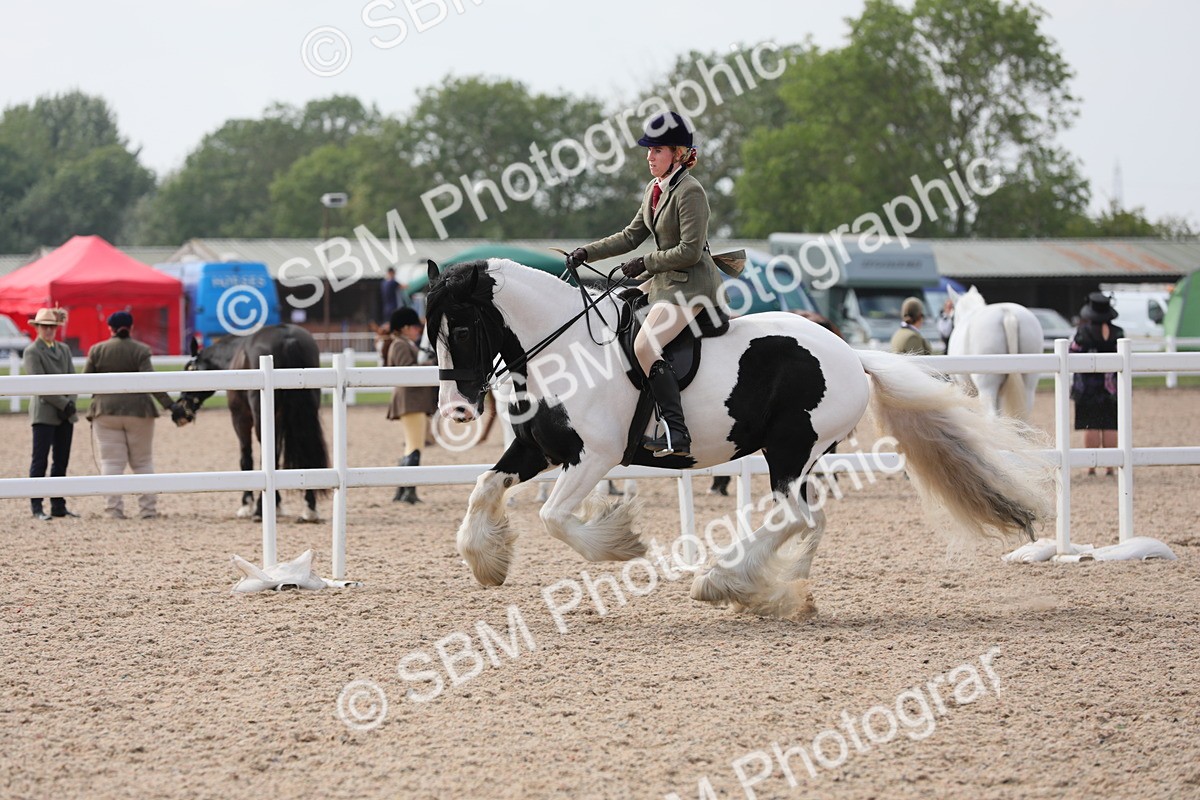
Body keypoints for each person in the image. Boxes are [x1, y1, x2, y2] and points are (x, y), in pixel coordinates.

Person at [566, 111, 728, 458]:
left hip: (692, 285)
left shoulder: (690, 192)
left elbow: (689, 250)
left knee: (644, 346)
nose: (649, 157)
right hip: (665, 281)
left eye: (657, 150)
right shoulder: (654, 189)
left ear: (678, 153)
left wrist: (646, 262)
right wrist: (586, 253)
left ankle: (676, 431)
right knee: (616, 308)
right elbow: (631, 236)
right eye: (649, 150)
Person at [84, 311, 184, 519]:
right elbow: (151, 382)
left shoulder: (97, 350)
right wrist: (170, 405)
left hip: (105, 411)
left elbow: (86, 381)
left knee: (111, 463)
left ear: (110, 328)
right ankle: (147, 510)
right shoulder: (140, 350)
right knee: (143, 462)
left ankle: (113, 510)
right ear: (131, 327)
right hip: (139, 411)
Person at [23, 307, 79, 520]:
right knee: (40, 460)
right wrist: (64, 404)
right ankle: (37, 505)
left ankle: (58, 504)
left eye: (51, 327)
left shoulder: (63, 349)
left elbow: (73, 379)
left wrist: (70, 404)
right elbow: (39, 382)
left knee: (61, 460)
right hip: (45, 413)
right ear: (37, 328)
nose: (48, 331)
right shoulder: (32, 351)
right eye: (45, 327)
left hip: (65, 412)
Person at [386, 307, 437, 503]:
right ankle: (409, 491)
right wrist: (432, 363)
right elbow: (407, 372)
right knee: (415, 448)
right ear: (405, 327)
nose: (417, 330)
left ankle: (402, 490)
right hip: (410, 401)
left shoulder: (404, 343)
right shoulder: (399, 345)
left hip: (414, 402)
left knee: (411, 447)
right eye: (415, 327)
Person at [1071, 292, 1124, 477]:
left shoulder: (1083, 332)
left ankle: (1091, 466)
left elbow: (1073, 353)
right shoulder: (1118, 332)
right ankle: (1110, 466)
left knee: (1090, 425)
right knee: (1110, 425)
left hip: (1087, 387)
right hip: (1112, 387)